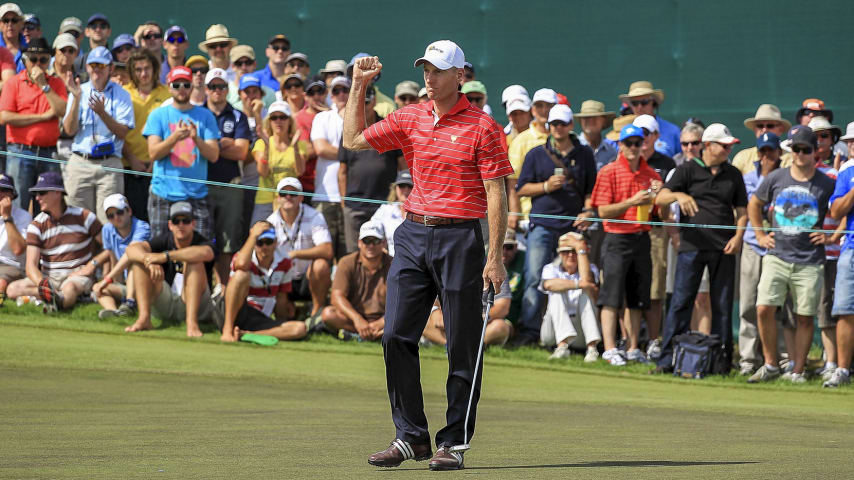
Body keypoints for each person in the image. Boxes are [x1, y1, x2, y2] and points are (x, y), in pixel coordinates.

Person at [342, 41, 511, 471]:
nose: (429, 78)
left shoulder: (483, 126)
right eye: (425, 70)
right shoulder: (411, 116)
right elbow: (353, 138)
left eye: (437, 71)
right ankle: (410, 437)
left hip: (462, 241)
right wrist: (359, 86)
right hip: (414, 234)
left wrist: (495, 257)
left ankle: (453, 442)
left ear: (460, 76)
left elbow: (496, 193)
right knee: (396, 334)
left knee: (462, 344)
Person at [653, 123, 747, 374]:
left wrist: (738, 237)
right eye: (724, 145)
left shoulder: (733, 174)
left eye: (730, 146)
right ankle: (666, 361)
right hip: (692, 246)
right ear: (708, 146)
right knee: (681, 303)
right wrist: (679, 196)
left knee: (722, 306)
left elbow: (741, 211)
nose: (728, 149)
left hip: (723, 247)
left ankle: (721, 364)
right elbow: (660, 198)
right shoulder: (685, 170)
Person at [747, 127, 835, 384]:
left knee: (805, 317)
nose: (799, 154)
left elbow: (842, 208)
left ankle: (797, 371)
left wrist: (831, 236)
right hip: (776, 255)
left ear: (815, 152)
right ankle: (771, 364)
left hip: (809, 260)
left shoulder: (826, 182)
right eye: (795, 149)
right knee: (763, 308)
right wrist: (761, 235)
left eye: (805, 150)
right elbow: (754, 204)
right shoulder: (776, 177)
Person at [514, 104, 596, 346]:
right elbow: (521, 189)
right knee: (534, 276)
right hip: (542, 224)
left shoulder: (584, 155)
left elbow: (591, 190)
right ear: (549, 127)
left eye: (562, 124)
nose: (557, 128)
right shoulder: (536, 154)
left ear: (571, 126)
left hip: (573, 225)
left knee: (577, 278)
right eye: (553, 124)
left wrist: (588, 211)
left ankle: (576, 336)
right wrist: (547, 186)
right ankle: (530, 331)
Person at [590, 124, 662, 366]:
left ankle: (632, 348)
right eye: (628, 143)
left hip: (642, 238)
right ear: (620, 145)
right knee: (611, 296)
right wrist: (632, 201)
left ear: (643, 145)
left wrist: (658, 197)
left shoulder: (651, 175)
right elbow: (602, 211)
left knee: (637, 298)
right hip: (616, 238)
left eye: (637, 143)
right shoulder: (609, 172)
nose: (633, 148)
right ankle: (610, 348)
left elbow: (658, 212)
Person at [142, 66, 220, 239]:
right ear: (169, 87)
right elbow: (153, 153)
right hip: (163, 194)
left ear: (192, 86)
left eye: (185, 84)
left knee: (201, 250)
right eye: (176, 85)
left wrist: (196, 139)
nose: (181, 89)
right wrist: (175, 137)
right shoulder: (158, 115)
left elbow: (214, 155)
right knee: (160, 250)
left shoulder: (205, 116)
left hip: (197, 194)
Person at [6, 172, 102, 311]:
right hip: (49, 278)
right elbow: (31, 267)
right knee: (12, 289)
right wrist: (44, 285)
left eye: (42, 192)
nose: (37, 198)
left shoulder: (85, 216)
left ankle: (58, 302)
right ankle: (62, 299)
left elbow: (109, 247)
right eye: (36, 194)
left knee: (70, 288)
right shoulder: (37, 224)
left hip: (76, 275)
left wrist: (93, 264)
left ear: (58, 193)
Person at [62, 46, 134, 224]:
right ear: (87, 67)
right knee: (77, 221)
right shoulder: (78, 91)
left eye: (101, 66)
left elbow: (123, 132)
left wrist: (102, 113)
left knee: (110, 222)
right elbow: (69, 130)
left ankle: (106, 252)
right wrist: (76, 99)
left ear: (111, 68)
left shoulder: (122, 95)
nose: (96, 70)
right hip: (80, 161)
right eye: (93, 65)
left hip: (109, 164)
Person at [124, 201, 219, 336]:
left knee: (194, 261)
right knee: (139, 263)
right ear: (170, 225)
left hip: (199, 306)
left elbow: (207, 253)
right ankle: (144, 319)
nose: (181, 225)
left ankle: (192, 324)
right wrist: (148, 261)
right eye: (176, 221)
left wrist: (165, 256)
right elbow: (131, 250)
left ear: (193, 224)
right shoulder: (164, 239)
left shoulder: (202, 241)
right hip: (168, 302)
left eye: (185, 221)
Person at [738, 132, 787, 376]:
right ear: (758, 153)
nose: (767, 155)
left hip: (780, 247)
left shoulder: (788, 176)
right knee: (748, 304)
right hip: (752, 244)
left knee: (777, 304)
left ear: (779, 152)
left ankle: (780, 358)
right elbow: (755, 205)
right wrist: (767, 177)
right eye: (763, 151)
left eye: (771, 151)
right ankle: (748, 359)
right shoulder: (748, 177)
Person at [0, 37, 67, 212]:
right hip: (20, 151)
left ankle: (45, 239)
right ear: (25, 60)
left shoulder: (56, 83)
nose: (38, 64)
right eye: (33, 59)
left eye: (43, 59)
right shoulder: (13, 83)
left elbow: (61, 111)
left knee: (49, 208)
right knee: (18, 205)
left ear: (49, 61)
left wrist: (44, 86)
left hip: (48, 152)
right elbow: (4, 117)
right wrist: (43, 117)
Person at [202, 68, 251, 288]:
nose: (217, 90)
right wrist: (224, 143)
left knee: (227, 243)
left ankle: (222, 290)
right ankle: (203, 290)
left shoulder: (238, 115)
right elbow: (193, 149)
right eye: (213, 86)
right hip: (202, 183)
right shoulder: (197, 113)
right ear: (206, 89)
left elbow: (241, 152)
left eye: (222, 86)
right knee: (201, 240)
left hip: (230, 183)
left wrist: (209, 146)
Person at [338, 86, 403, 253]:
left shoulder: (388, 127)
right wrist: (345, 201)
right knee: (354, 253)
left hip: (384, 204)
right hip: (354, 204)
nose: (363, 106)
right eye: (360, 103)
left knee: (386, 252)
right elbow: (343, 170)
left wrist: (397, 198)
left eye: (366, 102)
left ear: (374, 102)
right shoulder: (349, 129)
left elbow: (402, 166)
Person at [633, 114, 677, 360]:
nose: (642, 139)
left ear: (656, 136)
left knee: (655, 288)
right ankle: (629, 342)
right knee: (631, 286)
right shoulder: (627, 160)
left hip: (656, 229)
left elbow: (669, 205)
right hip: (628, 229)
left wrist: (663, 195)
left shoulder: (667, 164)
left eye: (647, 134)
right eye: (638, 134)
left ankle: (652, 340)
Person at [219, 221, 305, 342]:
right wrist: (253, 236)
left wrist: (282, 322)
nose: (264, 247)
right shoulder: (243, 257)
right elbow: (241, 264)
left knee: (300, 328)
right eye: (260, 242)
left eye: (268, 242)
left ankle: (245, 334)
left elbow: (281, 297)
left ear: (275, 242)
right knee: (240, 276)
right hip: (238, 311)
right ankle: (227, 330)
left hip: (260, 317)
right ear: (253, 243)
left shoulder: (285, 261)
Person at [266, 177, 333, 321]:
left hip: (307, 278)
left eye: (293, 194)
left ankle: (316, 316)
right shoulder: (270, 222)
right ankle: (284, 317)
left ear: (301, 197)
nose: (288, 197)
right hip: (282, 277)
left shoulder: (315, 216)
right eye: (284, 194)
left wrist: (295, 254)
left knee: (321, 265)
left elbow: (327, 250)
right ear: (278, 198)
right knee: (283, 320)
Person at [320, 221, 392, 340]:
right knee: (328, 314)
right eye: (366, 241)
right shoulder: (346, 262)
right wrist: (358, 320)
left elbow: (402, 301)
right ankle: (366, 334)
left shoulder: (394, 265)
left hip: (385, 319)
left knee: (408, 316)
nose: (371, 245)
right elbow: (336, 297)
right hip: (354, 319)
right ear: (359, 243)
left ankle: (359, 335)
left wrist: (382, 322)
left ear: (383, 243)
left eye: (376, 240)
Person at [123, 48, 171, 222]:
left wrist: (157, 160)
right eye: (138, 69)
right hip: (129, 167)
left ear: (155, 69)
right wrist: (132, 159)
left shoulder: (167, 94)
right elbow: (117, 133)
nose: (143, 74)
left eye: (147, 68)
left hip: (159, 167)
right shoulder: (123, 93)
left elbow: (170, 132)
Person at [540, 232, 601, 362]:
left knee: (586, 294)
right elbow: (549, 285)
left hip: (581, 332)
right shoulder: (550, 268)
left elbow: (587, 280)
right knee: (557, 291)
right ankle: (562, 347)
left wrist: (580, 248)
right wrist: (578, 284)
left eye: (574, 251)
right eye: (566, 251)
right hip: (553, 332)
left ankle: (592, 349)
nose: (571, 255)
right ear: (559, 253)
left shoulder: (591, 268)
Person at [91, 193, 150, 318]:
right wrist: (112, 282)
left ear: (129, 211)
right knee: (98, 288)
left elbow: (131, 253)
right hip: (124, 284)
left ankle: (129, 304)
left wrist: (107, 279)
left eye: (119, 212)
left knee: (134, 262)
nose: (116, 218)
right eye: (110, 216)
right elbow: (113, 259)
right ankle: (115, 312)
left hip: (145, 283)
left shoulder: (142, 227)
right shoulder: (107, 229)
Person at [310, 75, 350, 259]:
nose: (341, 94)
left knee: (347, 253)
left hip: (351, 197)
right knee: (322, 254)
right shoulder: (322, 117)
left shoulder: (360, 118)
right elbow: (321, 148)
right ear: (330, 95)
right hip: (324, 195)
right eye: (336, 90)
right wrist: (352, 154)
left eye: (345, 90)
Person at [252, 101, 308, 223]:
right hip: (265, 199)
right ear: (269, 121)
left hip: (289, 199)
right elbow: (263, 172)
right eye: (274, 117)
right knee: (259, 237)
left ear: (289, 121)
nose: (278, 121)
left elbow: (300, 171)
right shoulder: (261, 144)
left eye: (283, 117)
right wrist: (267, 147)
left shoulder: (300, 145)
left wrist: (295, 148)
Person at [508, 88, 556, 224]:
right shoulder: (520, 141)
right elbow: (513, 182)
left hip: (566, 214)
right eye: (540, 106)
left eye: (550, 106)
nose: (545, 110)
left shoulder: (570, 139)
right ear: (533, 110)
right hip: (529, 217)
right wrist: (514, 215)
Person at [619, 80, 680, 157]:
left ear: (653, 103)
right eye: (635, 103)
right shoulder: (623, 132)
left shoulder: (673, 131)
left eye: (644, 102)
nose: (639, 107)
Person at [731, 104, 790, 174]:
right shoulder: (742, 157)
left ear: (780, 130)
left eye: (770, 126)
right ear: (754, 129)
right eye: (760, 126)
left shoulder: (791, 159)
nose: (764, 130)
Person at [0, 173, 29, 305]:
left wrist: (7, 216)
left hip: (10, 265)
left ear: (12, 195)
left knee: (1, 281)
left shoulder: (24, 216)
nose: (0, 194)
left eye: (4, 191)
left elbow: (18, 249)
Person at [369, 170, 412, 257]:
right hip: (391, 259)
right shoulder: (386, 209)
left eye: (410, 186)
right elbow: (371, 228)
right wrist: (380, 247)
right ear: (395, 188)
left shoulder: (422, 211)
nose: (406, 189)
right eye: (402, 186)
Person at [226, 44, 276, 110]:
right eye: (239, 63)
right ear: (233, 66)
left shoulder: (269, 93)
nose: (243, 67)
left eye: (248, 62)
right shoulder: (226, 92)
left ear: (254, 64)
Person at [576, 100, 617, 171]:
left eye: (595, 117)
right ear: (580, 121)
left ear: (604, 121)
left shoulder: (612, 152)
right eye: (585, 118)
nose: (590, 121)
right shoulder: (572, 148)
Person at [0, 3, 24, 72]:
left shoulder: (30, 47)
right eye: (5, 20)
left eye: (14, 20)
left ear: (21, 23)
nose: (10, 24)